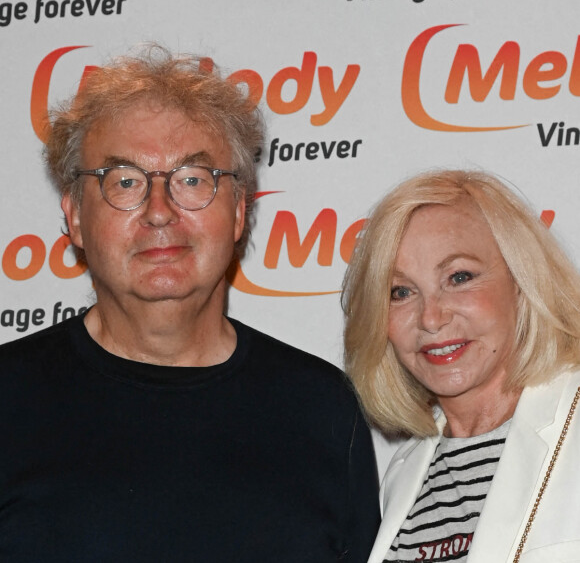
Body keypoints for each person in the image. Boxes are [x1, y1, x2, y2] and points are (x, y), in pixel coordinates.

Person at [0, 47, 380, 562]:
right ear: (74, 217)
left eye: (193, 180)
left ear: (241, 211)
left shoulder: (324, 409)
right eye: (125, 182)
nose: (160, 212)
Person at [342, 169, 580, 563]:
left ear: (521, 283)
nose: (431, 318)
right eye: (400, 292)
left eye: (459, 277)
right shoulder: (404, 472)